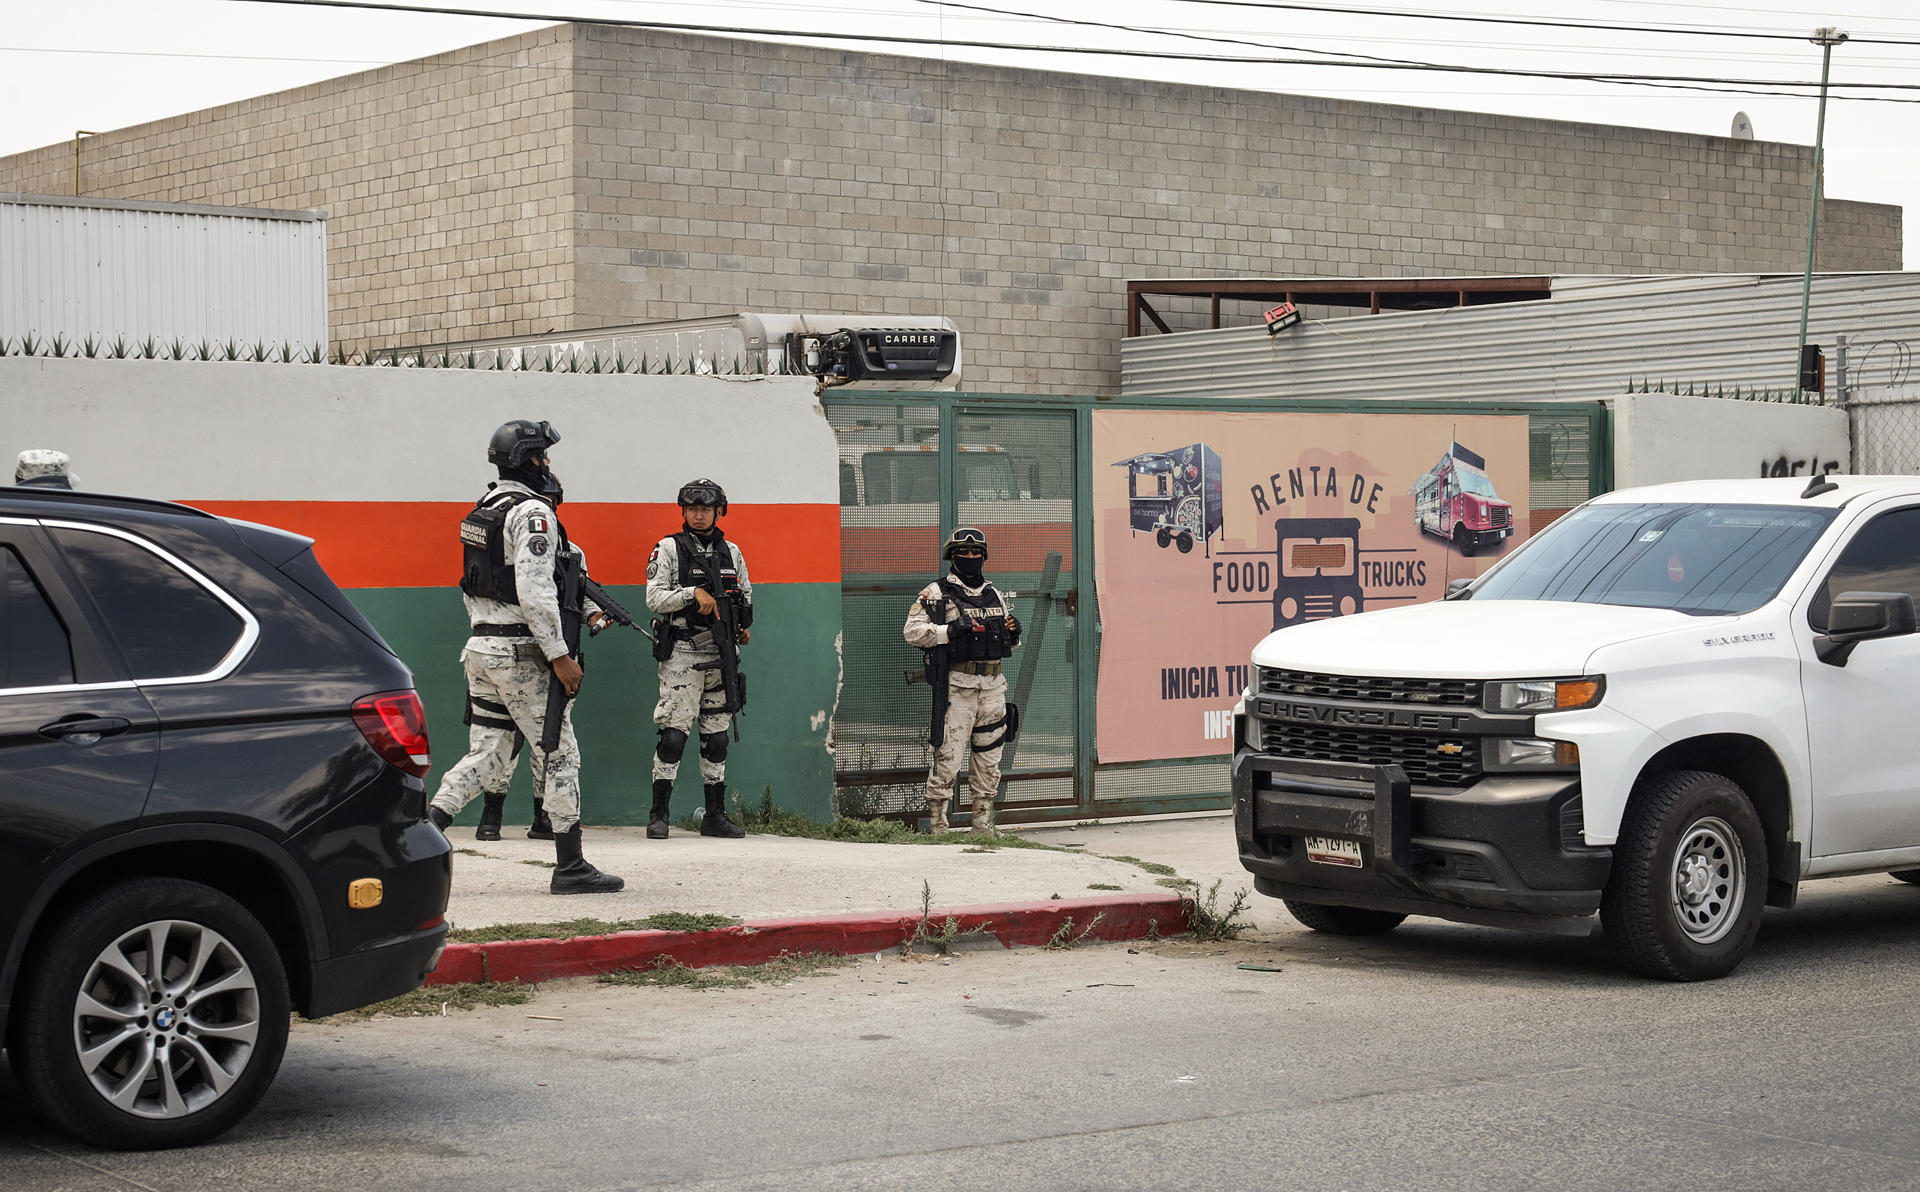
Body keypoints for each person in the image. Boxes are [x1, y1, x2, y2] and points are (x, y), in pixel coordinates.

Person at [427, 419, 623, 894]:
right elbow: (535, 590)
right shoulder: (533, 513)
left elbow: (473, 586)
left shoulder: (483, 510)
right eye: (543, 457)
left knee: (489, 754)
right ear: (528, 460)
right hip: (522, 653)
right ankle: (570, 865)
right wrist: (558, 654)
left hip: (481, 647)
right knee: (560, 753)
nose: (549, 465)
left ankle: (419, 837)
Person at [644, 478, 752, 840]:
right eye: (692, 509)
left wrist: (742, 626)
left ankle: (715, 815)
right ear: (684, 512)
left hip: (722, 654)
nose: (699, 515)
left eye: (706, 509)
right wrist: (692, 594)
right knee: (673, 736)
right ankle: (659, 814)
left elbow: (745, 594)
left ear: (718, 511)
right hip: (683, 653)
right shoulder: (668, 549)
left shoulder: (732, 552)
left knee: (717, 737)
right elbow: (654, 599)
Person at [904, 527, 1021, 834]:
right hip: (957, 686)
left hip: (993, 687)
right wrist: (950, 631)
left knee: (989, 756)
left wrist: (1013, 633)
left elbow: (1006, 640)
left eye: (976, 553)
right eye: (963, 553)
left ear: (983, 557)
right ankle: (938, 826)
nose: (970, 557)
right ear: (951, 557)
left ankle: (983, 826)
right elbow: (912, 632)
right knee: (948, 755)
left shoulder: (993, 593)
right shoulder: (936, 593)